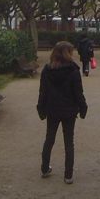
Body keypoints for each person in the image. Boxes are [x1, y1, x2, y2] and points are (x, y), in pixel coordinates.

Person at [37, 41, 88, 184]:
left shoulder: (47, 70)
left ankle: (45, 168)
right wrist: (83, 108)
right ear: (67, 54)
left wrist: (41, 109)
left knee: (49, 139)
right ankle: (68, 175)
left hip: (52, 109)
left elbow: (43, 92)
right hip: (69, 110)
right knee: (68, 142)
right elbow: (78, 93)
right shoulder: (73, 70)